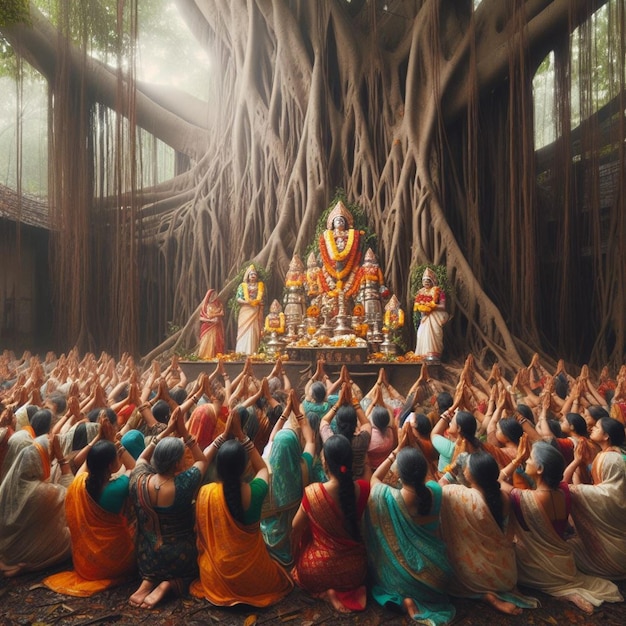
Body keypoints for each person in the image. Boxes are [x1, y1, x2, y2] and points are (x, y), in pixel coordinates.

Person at [505, 440, 623, 613]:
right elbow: (564, 480)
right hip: (565, 563)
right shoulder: (564, 493)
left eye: (530, 458)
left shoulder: (525, 498)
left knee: (511, 558)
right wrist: (575, 462)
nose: (527, 461)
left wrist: (516, 460)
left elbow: (498, 479)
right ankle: (569, 593)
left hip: (538, 567)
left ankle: (564, 594)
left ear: (540, 469)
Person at [190, 409, 293, 606]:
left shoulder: (206, 493)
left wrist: (223, 437)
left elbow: (201, 461)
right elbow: (263, 468)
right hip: (253, 575)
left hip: (216, 576)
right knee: (279, 574)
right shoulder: (256, 490)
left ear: (218, 466)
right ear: (245, 465)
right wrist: (242, 436)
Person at [365, 426, 456, 625]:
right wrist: (415, 448)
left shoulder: (388, 497)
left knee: (381, 576)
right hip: (437, 576)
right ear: (424, 471)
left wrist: (396, 452)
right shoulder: (435, 492)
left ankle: (406, 601)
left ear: (399, 474)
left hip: (402, 579)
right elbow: (431, 479)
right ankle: (413, 599)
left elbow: (374, 478)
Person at [128, 407, 208, 609]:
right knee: (192, 566)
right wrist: (184, 433)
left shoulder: (139, 480)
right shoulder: (184, 483)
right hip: (180, 559)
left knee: (153, 564)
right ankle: (168, 585)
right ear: (178, 463)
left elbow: (141, 459)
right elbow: (202, 460)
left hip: (146, 558)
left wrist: (166, 431)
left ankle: (147, 581)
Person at [440, 451, 538, 615]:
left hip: (474, 576)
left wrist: (451, 471)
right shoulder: (504, 497)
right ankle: (494, 595)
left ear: (470, 475)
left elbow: (437, 488)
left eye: (466, 467)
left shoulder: (459, 495)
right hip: (505, 575)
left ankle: (486, 596)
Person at [43, 428, 137, 596]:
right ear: (111, 465)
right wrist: (117, 444)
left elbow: (84, 467)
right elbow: (135, 468)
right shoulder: (116, 488)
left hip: (85, 565)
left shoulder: (79, 484)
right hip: (116, 563)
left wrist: (99, 439)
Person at [291, 434, 370, 613]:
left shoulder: (313, 493)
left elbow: (295, 526)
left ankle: (327, 593)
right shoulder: (363, 489)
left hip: (317, 572)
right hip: (355, 571)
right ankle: (343, 593)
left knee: (305, 531)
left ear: (325, 462)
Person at [0, 435, 71, 577]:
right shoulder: (42, 492)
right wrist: (62, 460)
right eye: (48, 460)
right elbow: (72, 497)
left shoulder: (9, 484)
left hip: (6, 549)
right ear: (40, 463)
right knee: (73, 538)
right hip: (25, 553)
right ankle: (28, 565)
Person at [260, 390, 316, 567]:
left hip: (267, 540)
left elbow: (272, 438)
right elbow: (311, 441)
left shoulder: (265, 466)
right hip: (290, 540)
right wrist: (298, 413)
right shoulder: (303, 467)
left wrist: (285, 414)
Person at [567, 417, 626, 579]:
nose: (592, 428)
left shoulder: (609, 458)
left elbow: (610, 495)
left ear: (606, 436)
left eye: (597, 427)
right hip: (616, 532)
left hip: (614, 553)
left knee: (566, 551)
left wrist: (575, 489)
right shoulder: (610, 454)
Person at [318, 200, 363, 298]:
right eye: (337, 220)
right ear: (332, 223)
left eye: (342, 220)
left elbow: (355, 246)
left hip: (348, 260)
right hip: (331, 261)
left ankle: (350, 295)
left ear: (346, 223)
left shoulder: (350, 234)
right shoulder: (327, 235)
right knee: (327, 274)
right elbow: (323, 248)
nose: (339, 222)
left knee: (352, 274)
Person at [413, 267, 449, 363]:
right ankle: (423, 355)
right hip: (424, 317)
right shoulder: (420, 292)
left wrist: (431, 307)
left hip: (435, 316)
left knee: (434, 332)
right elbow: (417, 305)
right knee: (421, 334)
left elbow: (442, 306)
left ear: (432, 281)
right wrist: (423, 308)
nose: (426, 282)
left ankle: (433, 355)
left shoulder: (438, 291)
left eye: (428, 280)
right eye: (424, 280)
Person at [235, 264, 265, 355]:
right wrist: (247, 302)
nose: (253, 276)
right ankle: (241, 352)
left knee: (254, 329)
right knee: (244, 329)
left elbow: (261, 298)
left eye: (254, 274)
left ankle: (252, 351)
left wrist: (258, 302)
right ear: (248, 276)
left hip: (255, 309)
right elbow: (238, 298)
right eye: (251, 274)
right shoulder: (243, 286)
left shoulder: (260, 286)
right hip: (245, 310)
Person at [197, 288, 225, 359]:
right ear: (208, 296)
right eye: (212, 295)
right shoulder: (205, 306)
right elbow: (204, 317)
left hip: (216, 326)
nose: (213, 297)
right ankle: (205, 357)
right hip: (207, 327)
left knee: (216, 342)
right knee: (206, 342)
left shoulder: (218, 305)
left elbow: (222, 313)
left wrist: (214, 316)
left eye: (215, 295)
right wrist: (212, 318)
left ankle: (215, 357)